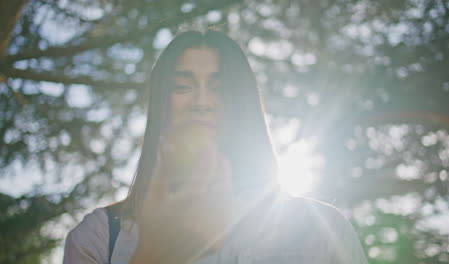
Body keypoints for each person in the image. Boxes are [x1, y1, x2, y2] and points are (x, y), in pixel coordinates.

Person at [63, 30, 368, 264]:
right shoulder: (100, 236)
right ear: (161, 104)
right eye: (182, 86)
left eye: (220, 88)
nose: (202, 102)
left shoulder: (325, 231)